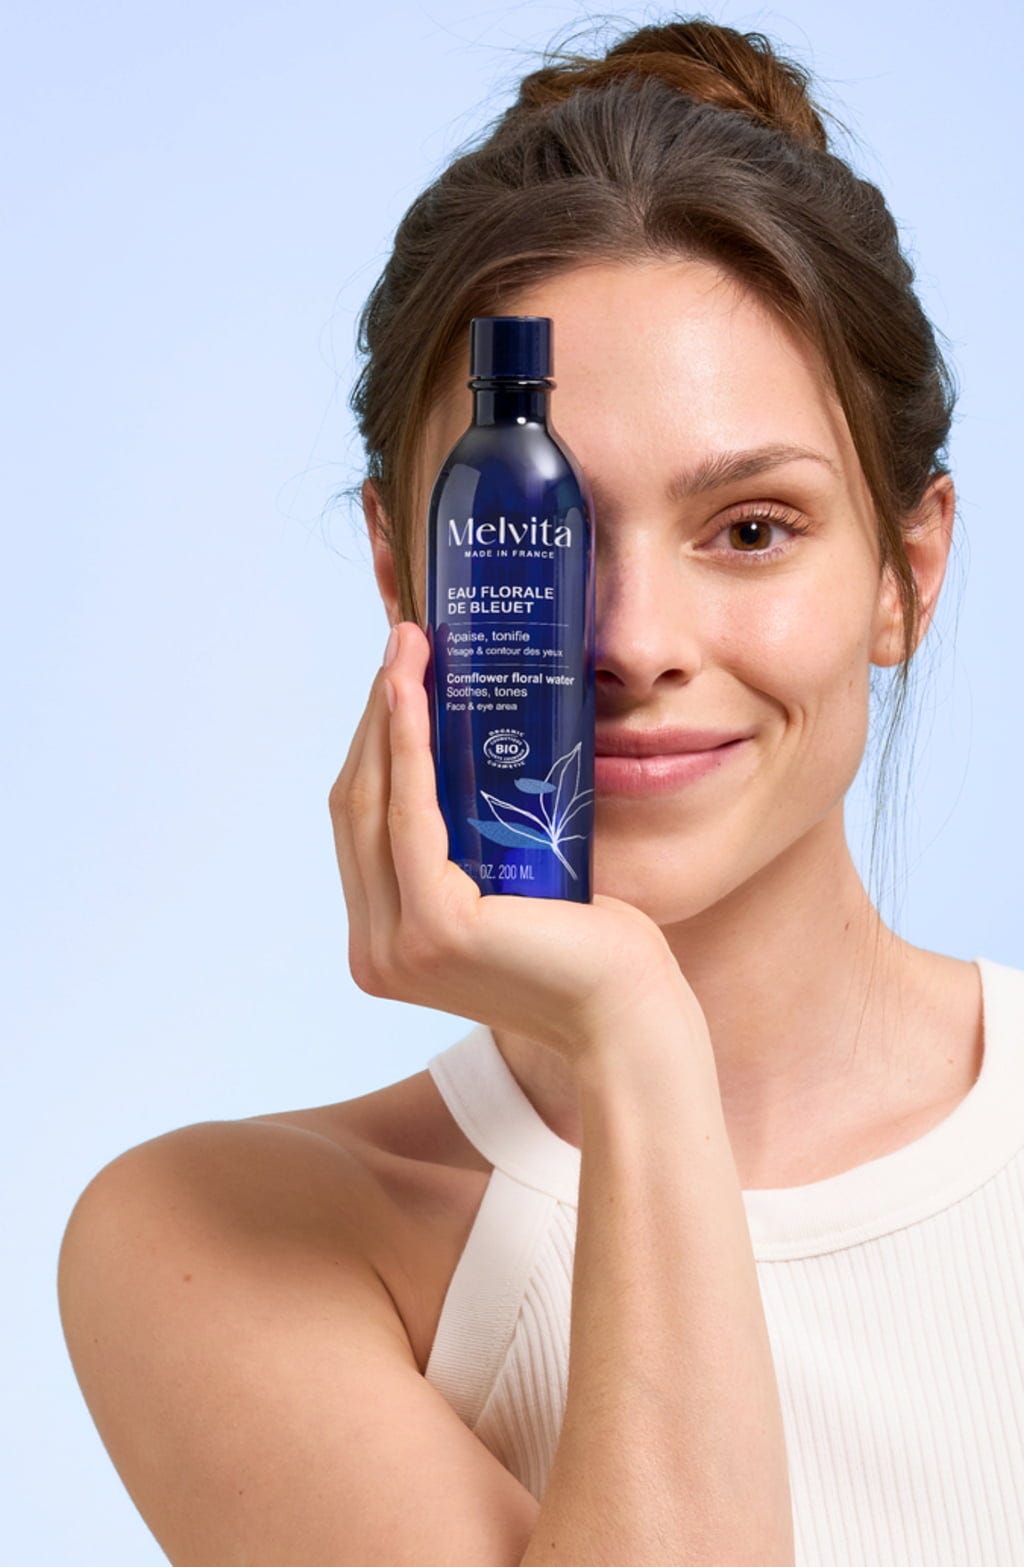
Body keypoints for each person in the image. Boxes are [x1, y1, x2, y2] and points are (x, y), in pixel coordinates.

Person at [57, 17, 1024, 1567]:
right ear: (403, 568)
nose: (632, 642)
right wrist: (636, 1037)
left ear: (907, 572)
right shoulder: (231, 1241)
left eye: (752, 529)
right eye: (542, 533)